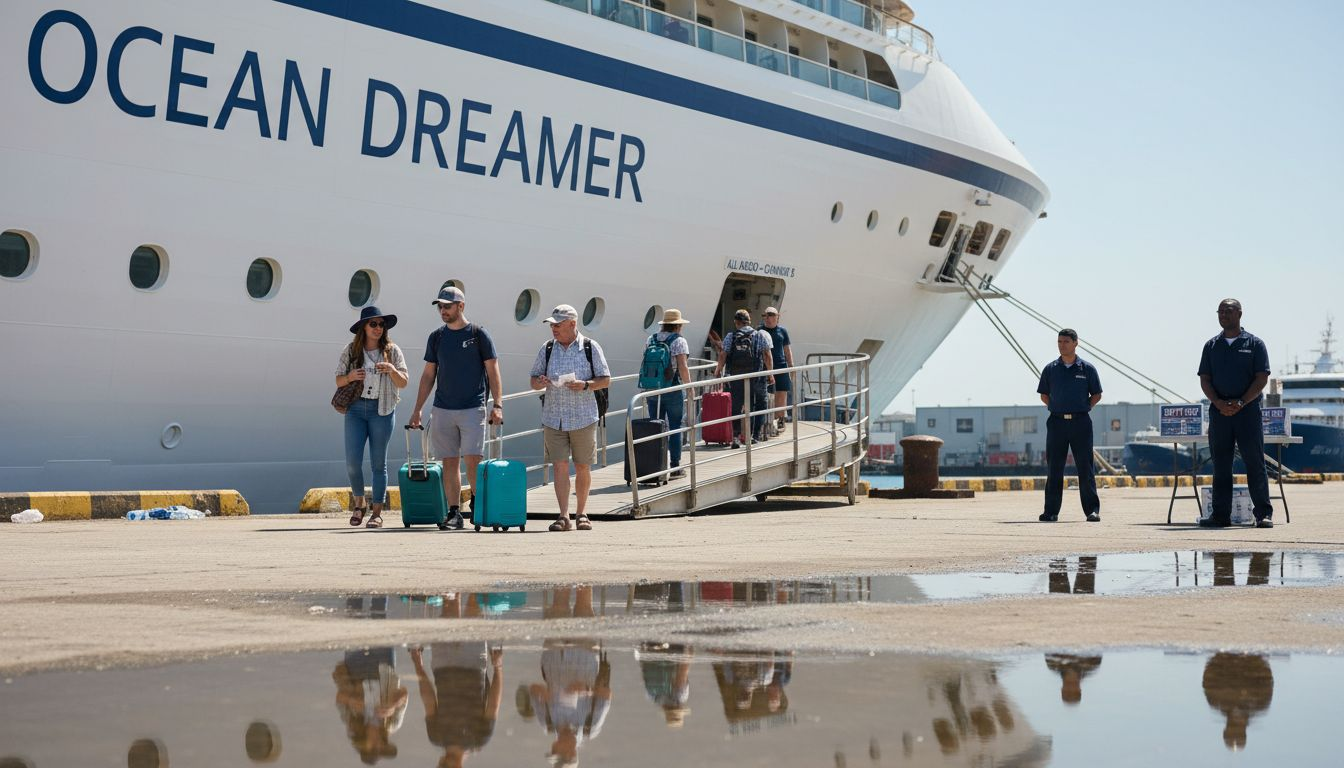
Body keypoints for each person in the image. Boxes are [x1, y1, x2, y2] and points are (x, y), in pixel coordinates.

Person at [408, 286, 504, 530]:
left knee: (473, 460)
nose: (443, 311)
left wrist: (498, 404)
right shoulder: (436, 337)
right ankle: (454, 513)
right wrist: (418, 408)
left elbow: (493, 370)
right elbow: (429, 374)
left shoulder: (478, 334)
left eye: (447, 306)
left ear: (461, 306)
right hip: (442, 409)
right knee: (449, 462)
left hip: (473, 407)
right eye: (440, 306)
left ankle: (477, 505)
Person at [530, 305, 611, 531]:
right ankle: (564, 515)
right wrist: (541, 381)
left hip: (583, 416)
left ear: (572, 324)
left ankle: (582, 513)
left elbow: (605, 379)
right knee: (559, 466)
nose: (553, 329)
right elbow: (533, 381)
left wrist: (585, 385)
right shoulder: (547, 348)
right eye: (552, 325)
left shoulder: (590, 347)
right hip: (553, 416)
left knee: (583, 466)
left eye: (558, 324)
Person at [1198, 299, 1274, 529]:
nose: (1224, 315)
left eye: (1228, 311)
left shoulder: (1254, 344)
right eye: (1220, 312)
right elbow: (1205, 379)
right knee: (1221, 464)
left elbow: (1261, 378)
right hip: (1220, 413)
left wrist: (1241, 402)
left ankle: (1263, 514)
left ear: (1240, 314)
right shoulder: (1211, 346)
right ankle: (1220, 515)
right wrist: (1219, 403)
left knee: (1254, 462)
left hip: (1248, 412)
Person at [336, 306, 409, 529]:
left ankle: (376, 513)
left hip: (383, 409)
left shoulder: (392, 351)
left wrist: (391, 370)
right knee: (352, 463)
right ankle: (359, 504)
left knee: (379, 463)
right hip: (356, 409)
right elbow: (338, 380)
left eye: (381, 324)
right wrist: (349, 376)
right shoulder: (351, 351)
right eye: (373, 324)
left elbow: (404, 382)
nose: (378, 328)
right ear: (363, 328)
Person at [1036, 328, 1103, 522]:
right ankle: (1051, 512)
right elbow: (1044, 395)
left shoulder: (1087, 369)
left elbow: (1097, 394)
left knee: (1085, 467)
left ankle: (1092, 510)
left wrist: (1082, 408)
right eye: (1059, 342)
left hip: (1081, 422)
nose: (1061, 345)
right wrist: (1057, 408)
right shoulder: (1050, 369)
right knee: (1054, 468)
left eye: (1065, 342)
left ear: (1075, 343)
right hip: (1056, 423)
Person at [519, 638, 613, 768]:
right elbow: (606, 695)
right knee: (584, 620)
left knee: (554, 620)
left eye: (552, 751)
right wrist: (588, 689)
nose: (552, 747)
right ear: (571, 753)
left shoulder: (547, 723)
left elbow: (533, 689)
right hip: (585, 655)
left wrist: (545, 693)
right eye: (556, 752)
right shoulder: (590, 726)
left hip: (553, 655)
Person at [410, 643, 503, 768]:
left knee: (444, 624)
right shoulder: (479, 738)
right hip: (473, 663)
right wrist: (498, 667)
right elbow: (493, 704)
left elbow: (429, 700)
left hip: (443, 665)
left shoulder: (436, 736)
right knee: (473, 624)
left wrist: (418, 666)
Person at [640, 309, 693, 479]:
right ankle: (675, 467)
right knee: (674, 427)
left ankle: (655, 465)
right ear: (678, 325)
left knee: (656, 426)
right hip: (672, 389)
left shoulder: (651, 338)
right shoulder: (679, 341)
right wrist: (690, 387)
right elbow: (683, 367)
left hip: (652, 389)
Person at [331, 648, 408, 765]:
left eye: (373, 748)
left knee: (353, 633)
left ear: (362, 743)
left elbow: (339, 698)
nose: (378, 745)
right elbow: (404, 693)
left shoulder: (353, 723)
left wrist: (352, 700)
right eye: (381, 748)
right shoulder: (392, 724)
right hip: (384, 664)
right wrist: (392, 706)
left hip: (356, 667)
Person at [713, 309, 773, 449]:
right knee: (751, 405)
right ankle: (750, 437)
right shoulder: (759, 335)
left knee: (735, 406)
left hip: (735, 376)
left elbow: (723, 354)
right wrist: (770, 374)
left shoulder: (731, 336)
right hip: (754, 376)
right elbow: (767, 355)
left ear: (736, 322)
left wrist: (718, 370)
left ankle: (735, 438)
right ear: (749, 321)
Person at [1202, 652, 1274, 750]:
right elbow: (1267, 677)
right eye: (1237, 729)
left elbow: (1209, 672)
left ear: (1225, 729)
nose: (1236, 722)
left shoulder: (1215, 701)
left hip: (1227, 655)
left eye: (1233, 728)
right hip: (1250, 657)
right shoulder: (1260, 704)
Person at [759, 307, 793, 431]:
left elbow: (787, 349)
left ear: (777, 317)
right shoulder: (760, 331)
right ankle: (767, 422)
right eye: (765, 315)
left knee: (781, 393)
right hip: (765, 368)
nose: (767, 317)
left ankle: (780, 420)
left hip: (781, 366)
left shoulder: (782, 331)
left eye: (770, 315)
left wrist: (791, 366)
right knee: (766, 395)